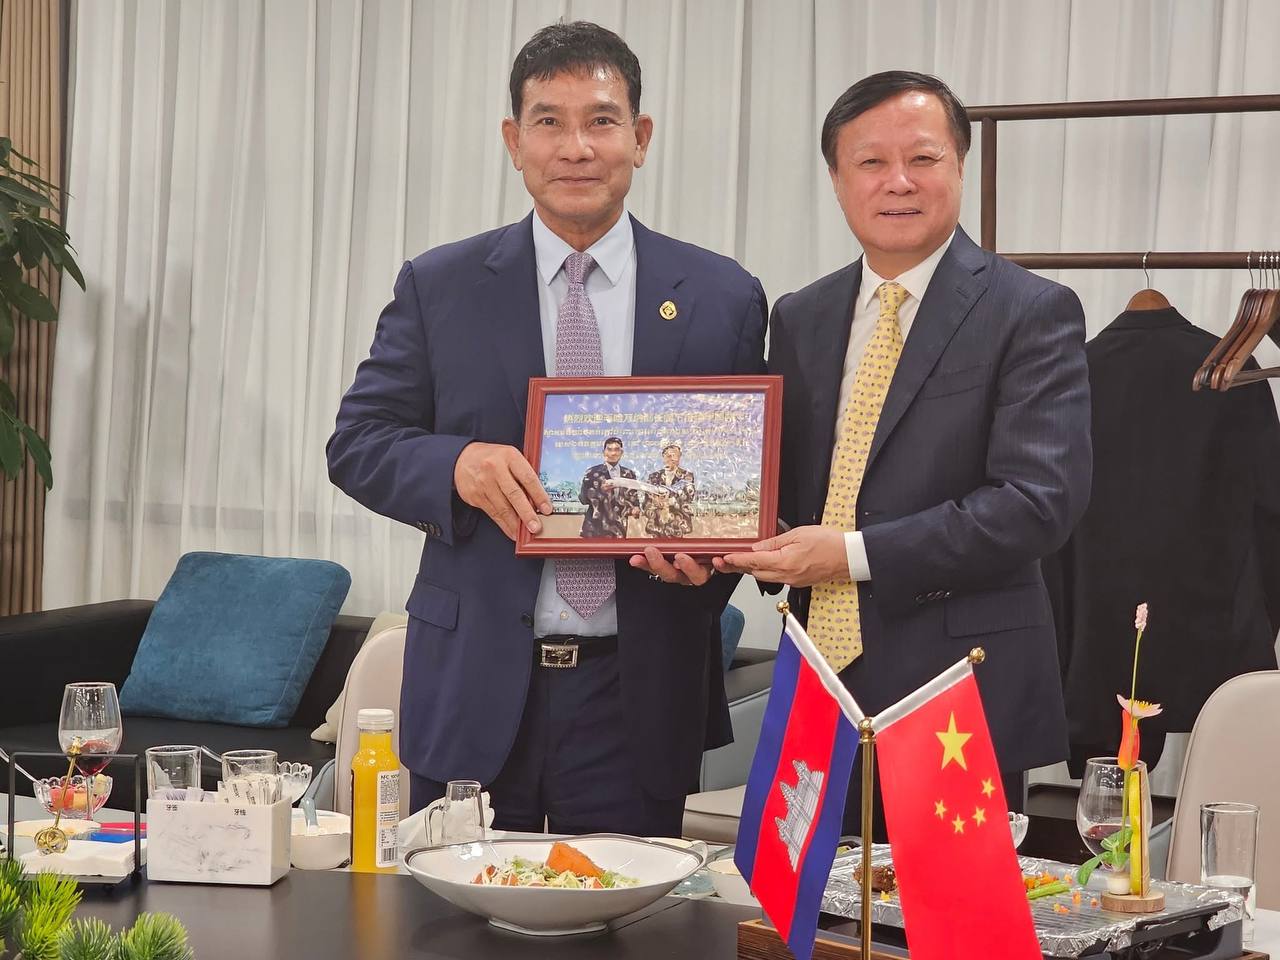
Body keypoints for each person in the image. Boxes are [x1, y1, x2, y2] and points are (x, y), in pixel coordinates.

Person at [327, 21, 766, 837]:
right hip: (474, 684)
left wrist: (708, 565)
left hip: (636, 693)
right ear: (513, 140)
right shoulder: (441, 285)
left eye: (601, 121)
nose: (576, 147)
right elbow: (358, 442)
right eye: (549, 121)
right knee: (450, 926)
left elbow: (739, 479)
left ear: (640, 139)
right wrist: (455, 465)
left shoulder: (722, 296)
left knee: (630, 926)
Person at [717, 71, 1091, 836]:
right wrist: (710, 537)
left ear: (959, 166)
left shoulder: (1031, 310)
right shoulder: (801, 315)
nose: (898, 183)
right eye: (870, 163)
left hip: (955, 692)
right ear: (836, 179)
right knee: (803, 925)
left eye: (922, 159)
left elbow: (1036, 504)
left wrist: (850, 555)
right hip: (816, 682)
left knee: (945, 934)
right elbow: (787, 493)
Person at [578, 436, 640, 538]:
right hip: (594, 529)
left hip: (619, 530)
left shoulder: (629, 474)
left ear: (622, 452)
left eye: (616, 450)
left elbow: (633, 499)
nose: (613, 453)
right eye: (609, 449)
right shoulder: (592, 472)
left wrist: (635, 508)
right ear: (604, 452)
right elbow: (583, 499)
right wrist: (600, 492)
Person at [643, 443, 696, 537]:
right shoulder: (654, 476)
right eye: (668, 456)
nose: (671, 459)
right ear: (663, 457)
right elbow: (647, 499)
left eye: (674, 456)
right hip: (657, 523)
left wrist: (671, 501)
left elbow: (688, 497)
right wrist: (655, 502)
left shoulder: (686, 476)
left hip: (678, 522)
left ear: (679, 457)